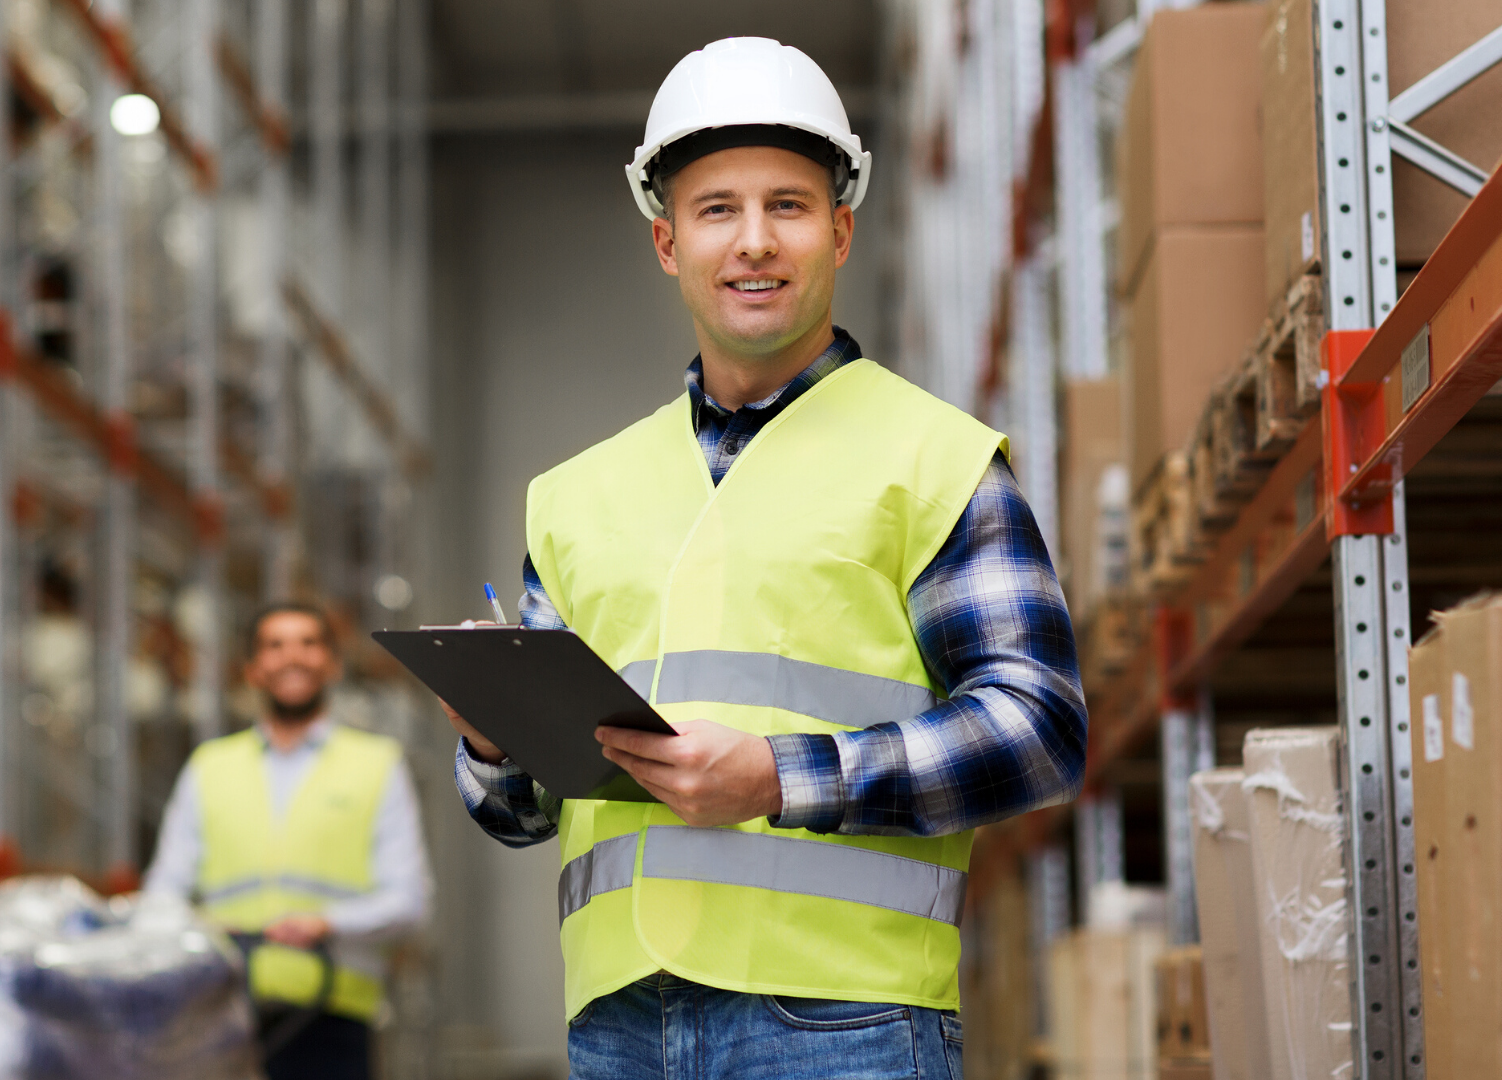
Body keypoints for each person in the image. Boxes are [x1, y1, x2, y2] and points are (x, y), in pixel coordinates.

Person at [442, 37, 1086, 1079]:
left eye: (787, 206)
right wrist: (491, 742)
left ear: (838, 231)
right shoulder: (575, 497)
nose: (753, 242)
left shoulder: (935, 461)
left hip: (848, 1025)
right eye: (716, 210)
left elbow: (1039, 731)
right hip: (618, 1031)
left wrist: (783, 778)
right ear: (666, 243)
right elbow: (522, 813)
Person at [147, 603, 430, 1080]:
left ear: (332, 664)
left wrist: (325, 923)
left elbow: (410, 900)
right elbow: (163, 892)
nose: (292, 657)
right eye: (275, 646)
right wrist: (199, 929)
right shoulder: (209, 767)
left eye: (308, 643)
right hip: (221, 1014)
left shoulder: (377, 764)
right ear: (253, 670)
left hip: (329, 1015)